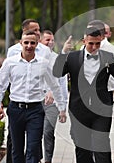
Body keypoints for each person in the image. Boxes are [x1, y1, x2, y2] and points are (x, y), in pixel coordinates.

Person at [53, 27, 114, 163]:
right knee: (82, 149)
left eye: (97, 44)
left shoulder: (107, 56)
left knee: (102, 146)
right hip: (78, 110)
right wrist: (64, 53)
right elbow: (57, 73)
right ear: (84, 41)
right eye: (91, 43)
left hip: (101, 110)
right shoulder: (73, 57)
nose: (94, 47)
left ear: (101, 41)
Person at [0, 30, 67, 163]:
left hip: (35, 111)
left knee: (33, 149)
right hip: (16, 110)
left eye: (32, 43)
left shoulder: (44, 63)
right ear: (21, 43)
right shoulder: (10, 62)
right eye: (26, 42)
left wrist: (62, 109)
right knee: (17, 149)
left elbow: (55, 86)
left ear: (37, 44)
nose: (29, 45)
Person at [6, 19, 53, 163]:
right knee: (15, 146)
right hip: (16, 106)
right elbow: (6, 78)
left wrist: (50, 92)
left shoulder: (45, 52)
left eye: (39, 30)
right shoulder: (12, 55)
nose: (38, 32)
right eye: (35, 30)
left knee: (33, 148)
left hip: (36, 107)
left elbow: (51, 77)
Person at [40, 30, 69, 163]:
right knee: (35, 132)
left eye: (52, 40)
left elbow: (63, 84)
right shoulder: (34, 58)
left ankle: (48, 159)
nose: (50, 42)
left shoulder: (58, 58)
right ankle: (36, 157)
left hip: (53, 103)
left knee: (48, 132)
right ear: (40, 41)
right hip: (36, 101)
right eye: (47, 40)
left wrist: (63, 107)